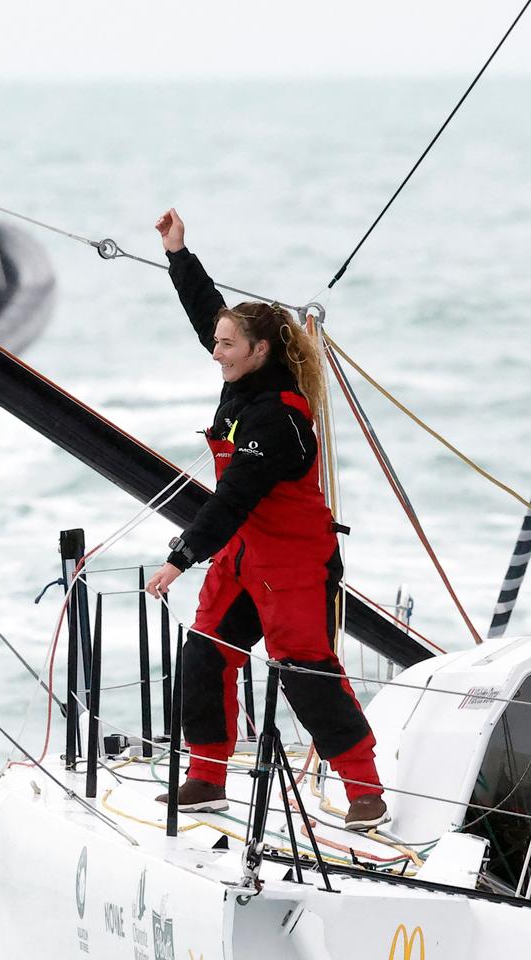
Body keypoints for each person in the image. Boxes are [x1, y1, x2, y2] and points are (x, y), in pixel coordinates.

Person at [144, 208, 388, 830]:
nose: (216, 352)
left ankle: (365, 788)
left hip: (293, 561)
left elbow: (232, 499)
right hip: (245, 556)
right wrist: (178, 252)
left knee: (304, 667)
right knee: (206, 654)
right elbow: (209, 313)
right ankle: (206, 777)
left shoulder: (277, 417)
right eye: (218, 343)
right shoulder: (242, 368)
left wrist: (180, 558)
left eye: (227, 346)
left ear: (259, 351)